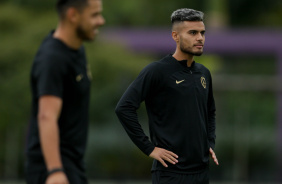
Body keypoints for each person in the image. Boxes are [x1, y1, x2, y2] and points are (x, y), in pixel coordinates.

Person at [115, 8, 218, 184]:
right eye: (192, 33)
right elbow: (124, 108)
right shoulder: (157, 71)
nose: (200, 38)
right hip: (170, 174)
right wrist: (149, 148)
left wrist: (209, 143)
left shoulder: (204, 73)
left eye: (202, 33)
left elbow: (210, 111)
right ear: (175, 36)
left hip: (201, 172)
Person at [25, 0, 105, 183]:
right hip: (52, 169)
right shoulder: (52, 58)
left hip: (73, 165)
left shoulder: (77, 50)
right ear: (73, 15)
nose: (101, 21)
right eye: (94, 15)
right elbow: (46, 116)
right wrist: (55, 171)